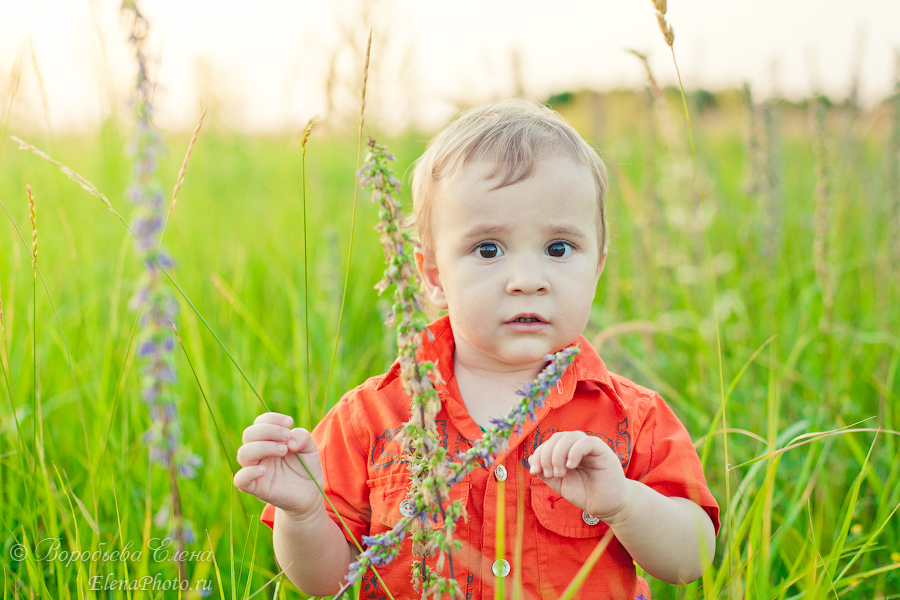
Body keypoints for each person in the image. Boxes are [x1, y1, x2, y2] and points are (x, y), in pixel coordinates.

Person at [233, 97, 719, 600]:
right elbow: (329, 580)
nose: (528, 280)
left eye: (558, 249)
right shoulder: (373, 416)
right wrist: (305, 512)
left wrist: (625, 503)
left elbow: (692, 559)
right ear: (433, 275)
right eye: (488, 249)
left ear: (597, 266)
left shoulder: (631, 418)